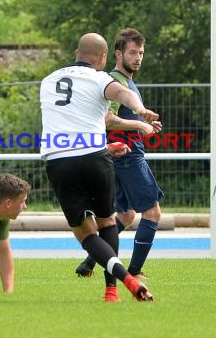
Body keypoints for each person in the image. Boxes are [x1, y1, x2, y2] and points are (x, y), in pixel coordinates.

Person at [40, 32, 161, 302]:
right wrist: (141, 111)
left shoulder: (48, 81)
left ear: (76, 52)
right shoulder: (101, 78)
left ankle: (127, 278)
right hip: (96, 159)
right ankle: (112, 290)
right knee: (108, 222)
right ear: (105, 57)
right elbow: (121, 94)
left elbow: (66, 126)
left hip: (59, 161)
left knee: (86, 233)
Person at [75, 28, 164, 280]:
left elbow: (121, 118)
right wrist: (137, 125)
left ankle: (90, 262)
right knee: (152, 212)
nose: (138, 58)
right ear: (118, 53)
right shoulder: (115, 82)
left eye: (141, 53)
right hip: (127, 157)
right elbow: (106, 119)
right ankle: (134, 272)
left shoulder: (127, 81)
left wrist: (145, 124)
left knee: (125, 215)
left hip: (121, 154)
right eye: (133, 52)